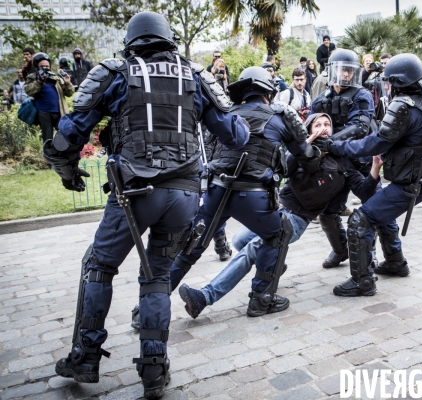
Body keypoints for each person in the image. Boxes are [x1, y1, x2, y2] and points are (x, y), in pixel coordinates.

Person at [47, 12, 249, 399]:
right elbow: (237, 135)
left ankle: (86, 356)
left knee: (99, 265)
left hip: (133, 195)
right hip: (185, 195)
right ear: (169, 39)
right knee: (156, 277)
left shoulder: (117, 72)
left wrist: (68, 172)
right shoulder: (195, 75)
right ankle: (154, 370)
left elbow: (69, 134)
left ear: (132, 41)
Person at [177, 113, 382, 317]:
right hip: (274, 209)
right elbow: (284, 170)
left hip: (296, 219)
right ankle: (274, 264)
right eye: (317, 125)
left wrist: (374, 167)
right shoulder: (300, 153)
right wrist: (305, 146)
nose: (323, 128)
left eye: (327, 124)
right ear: (308, 131)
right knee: (239, 240)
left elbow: (363, 191)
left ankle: (204, 297)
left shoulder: (343, 161)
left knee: (251, 249)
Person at [169, 66, 321, 318]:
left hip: (216, 191)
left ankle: (146, 308)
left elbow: (207, 147)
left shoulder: (227, 113)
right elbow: (306, 157)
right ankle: (261, 299)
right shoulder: (280, 115)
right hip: (253, 196)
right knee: (278, 233)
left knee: (190, 247)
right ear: (267, 93)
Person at [314, 53, 422, 296]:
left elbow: (373, 142)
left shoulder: (404, 105)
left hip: (411, 182)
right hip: (421, 178)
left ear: (398, 82)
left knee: (360, 220)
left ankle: (362, 282)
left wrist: (334, 145)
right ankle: (395, 262)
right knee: (379, 213)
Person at [311, 48, 375, 269]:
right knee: (328, 210)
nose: (345, 75)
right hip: (334, 163)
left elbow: (360, 127)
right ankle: (340, 250)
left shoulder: (362, 95)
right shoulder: (321, 100)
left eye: (349, 71)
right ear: (331, 71)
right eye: (341, 70)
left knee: (373, 208)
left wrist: (330, 143)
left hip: (360, 160)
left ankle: (376, 253)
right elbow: (312, 124)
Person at [25, 53, 75, 142]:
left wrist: (67, 83)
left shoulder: (55, 77)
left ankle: (63, 155)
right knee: (48, 139)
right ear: (37, 66)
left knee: (64, 136)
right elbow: (29, 91)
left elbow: (69, 93)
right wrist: (39, 82)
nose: (45, 68)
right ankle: (48, 155)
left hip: (59, 112)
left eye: (47, 66)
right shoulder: (33, 77)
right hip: (44, 113)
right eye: (42, 66)